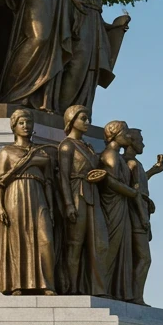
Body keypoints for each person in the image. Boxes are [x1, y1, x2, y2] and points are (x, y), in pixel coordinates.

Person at [59, 0, 130, 116]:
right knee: (77, 66)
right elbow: (64, 2)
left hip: (93, 28)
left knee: (91, 71)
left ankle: (83, 112)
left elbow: (96, 15)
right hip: (78, 27)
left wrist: (114, 26)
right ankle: (64, 111)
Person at [0, 109, 58, 295]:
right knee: (18, 239)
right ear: (14, 126)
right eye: (21, 122)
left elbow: (48, 183)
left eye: (28, 122)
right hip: (15, 195)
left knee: (46, 240)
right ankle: (17, 285)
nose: (26, 126)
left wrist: (51, 208)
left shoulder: (42, 152)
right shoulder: (7, 152)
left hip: (38, 195)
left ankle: (47, 284)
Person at [57, 105, 109, 296]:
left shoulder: (88, 146)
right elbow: (63, 176)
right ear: (71, 120)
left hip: (92, 194)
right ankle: (73, 287)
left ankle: (96, 288)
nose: (87, 122)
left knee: (99, 242)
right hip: (76, 193)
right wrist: (69, 203)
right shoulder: (66, 145)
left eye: (88, 119)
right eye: (83, 119)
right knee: (75, 243)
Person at [98, 120, 139, 302]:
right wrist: (131, 192)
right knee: (112, 246)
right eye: (126, 133)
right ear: (115, 134)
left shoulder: (118, 157)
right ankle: (103, 287)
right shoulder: (111, 156)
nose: (128, 136)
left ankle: (115, 288)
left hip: (120, 204)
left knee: (121, 247)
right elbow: (111, 182)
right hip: (112, 205)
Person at [124, 129, 163, 305]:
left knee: (138, 257)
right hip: (136, 216)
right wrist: (143, 218)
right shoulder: (131, 163)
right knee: (143, 257)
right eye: (140, 140)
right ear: (130, 141)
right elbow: (135, 193)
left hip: (138, 213)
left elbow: (138, 183)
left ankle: (134, 295)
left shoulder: (133, 164)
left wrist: (152, 171)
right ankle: (136, 296)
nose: (143, 144)